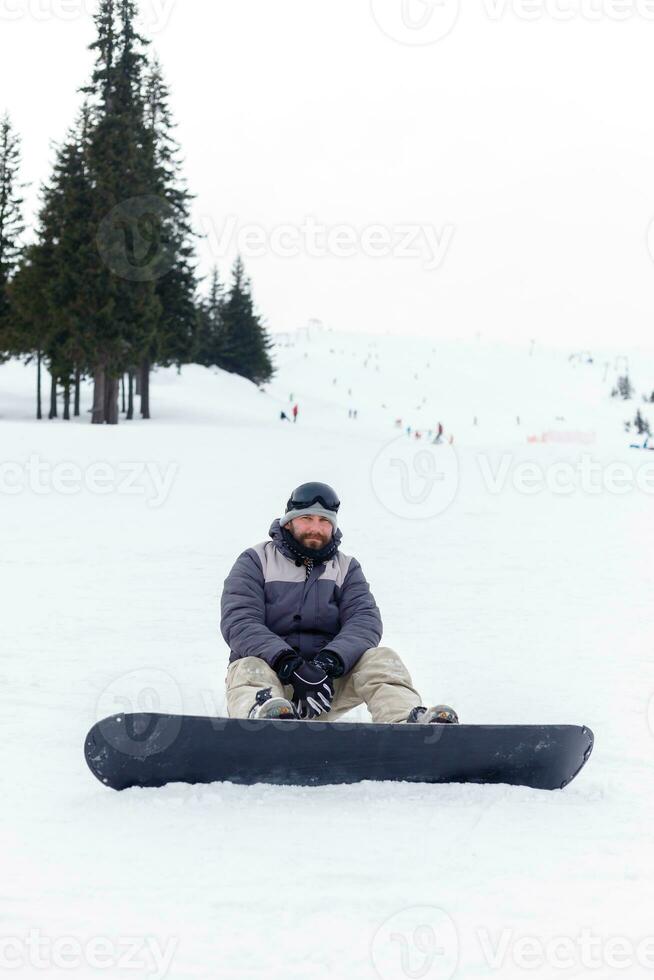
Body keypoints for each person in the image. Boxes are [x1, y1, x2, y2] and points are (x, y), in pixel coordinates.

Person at [221, 482, 458, 724]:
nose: (316, 527)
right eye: (307, 518)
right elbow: (240, 621)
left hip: (324, 686)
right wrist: (289, 664)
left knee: (381, 658)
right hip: (272, 681)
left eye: (324, 521)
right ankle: (259, 722)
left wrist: (328, 663)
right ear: (288, 521)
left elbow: (364, 621)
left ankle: (407, 724)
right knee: (248, 666)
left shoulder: (346, 569)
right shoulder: (256, 561)